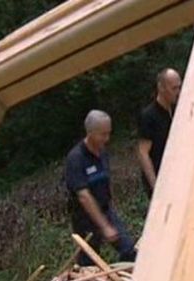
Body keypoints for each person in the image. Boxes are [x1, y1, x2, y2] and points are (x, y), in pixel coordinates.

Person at [65, 110, 137, 265]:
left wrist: (111, 211)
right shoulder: (76, 159)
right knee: (89, 261)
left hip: (106, 209)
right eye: (102, 134)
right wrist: (104, 226)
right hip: (85, 218)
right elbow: (84, 196)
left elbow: (106, 182)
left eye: (108, 133)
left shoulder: (102, 153)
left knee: (128, 249)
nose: (107, 138)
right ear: (90, 133)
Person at [137, 68, 182, 198]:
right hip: (160, 176)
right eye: (174, 89)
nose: (178, 93)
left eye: (179, 88)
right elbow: (143, 152)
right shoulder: (148, 116)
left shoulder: (177, 109)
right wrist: (155, 186)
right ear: (161, 88)